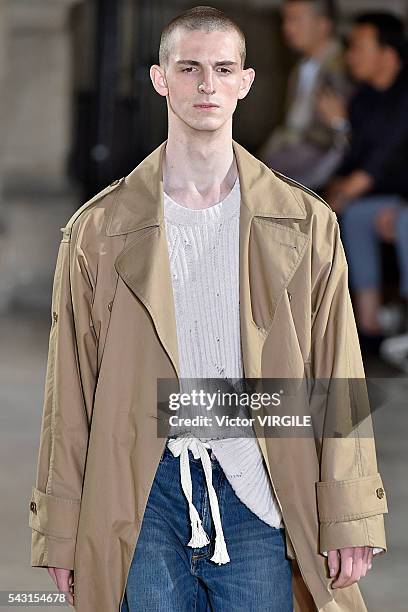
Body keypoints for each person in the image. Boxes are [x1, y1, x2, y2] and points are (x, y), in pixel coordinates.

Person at [28, 6, 388, 612]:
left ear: (244, 82)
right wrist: (61, 528)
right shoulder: (96, 232)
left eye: (222, 69)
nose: (206, 85)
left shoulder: (307, 224)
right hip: (144, 487)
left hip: (262, 479)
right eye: (188, 68)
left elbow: (338, 374)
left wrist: (350, 513)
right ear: (159, 79)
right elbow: (72, 387)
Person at [321, 12, 408, 353]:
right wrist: (341, 127)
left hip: (400, 200)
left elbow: (382, 160)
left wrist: (339, 196)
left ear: (387, 54)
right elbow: (353, 160)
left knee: (401, 219)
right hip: (385, 197)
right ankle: (368, 324)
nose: (350, 55)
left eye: (358, 47)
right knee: (356, 215)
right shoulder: (364, 99)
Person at [257, 0, 352, 191]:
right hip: (291, 155)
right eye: (285, 20)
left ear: (323, 24)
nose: (287, 27)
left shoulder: (342, 68)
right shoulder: (300, 69)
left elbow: (339, 138)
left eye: (296, 20)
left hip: (318, 163)